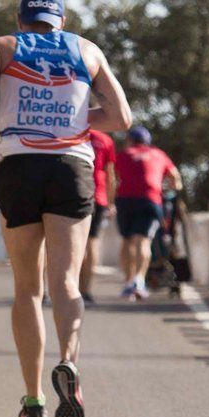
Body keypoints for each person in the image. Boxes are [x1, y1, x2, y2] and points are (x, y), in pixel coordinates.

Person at [0, 0, 131, 417]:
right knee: (66, 282)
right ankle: (68, 362)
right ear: (61, 19)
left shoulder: (4, 46)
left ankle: (34, 401)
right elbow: (121, 116)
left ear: (21, 19)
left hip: (18, 164)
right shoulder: (86, 49)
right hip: (72, 167)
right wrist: (76, 118)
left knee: (26, 288)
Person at [114, 126, 182, 300]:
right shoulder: (158, 154)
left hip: (125, 200)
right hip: (150, 200)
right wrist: (169, 191)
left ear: (130, 140)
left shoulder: (124, 154)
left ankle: (129, 282)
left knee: (127, 240)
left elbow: (113, 176)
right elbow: (175, 178)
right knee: (143, 241)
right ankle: (139, 280)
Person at [79, 129, 117, 305]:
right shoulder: (105, 140)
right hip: (98, 196)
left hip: (76, 192)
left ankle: (66, 288)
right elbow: (110, 175)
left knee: (71, 243)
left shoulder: (75, 131)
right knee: (92, 242)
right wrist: (110, 202)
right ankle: (85, 290)